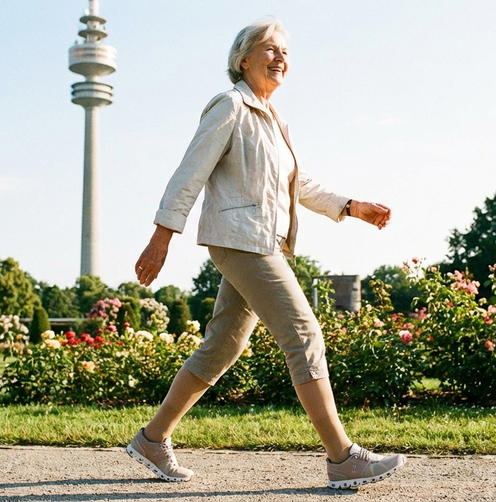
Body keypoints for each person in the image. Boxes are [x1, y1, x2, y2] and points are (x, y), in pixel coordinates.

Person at [127, 17, 405, 489]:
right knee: (303, 333)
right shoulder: (230, 106)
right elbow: (188, 172)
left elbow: (301, 186)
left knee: (222, 346)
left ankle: (152, 440)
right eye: (270, 49)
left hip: (262, 241)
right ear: (242, 59)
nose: (281, 58)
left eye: (286, 52)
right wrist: (162, 235)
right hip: (241, 240)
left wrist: (352, 207)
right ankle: (342, 458)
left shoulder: (275, 120)